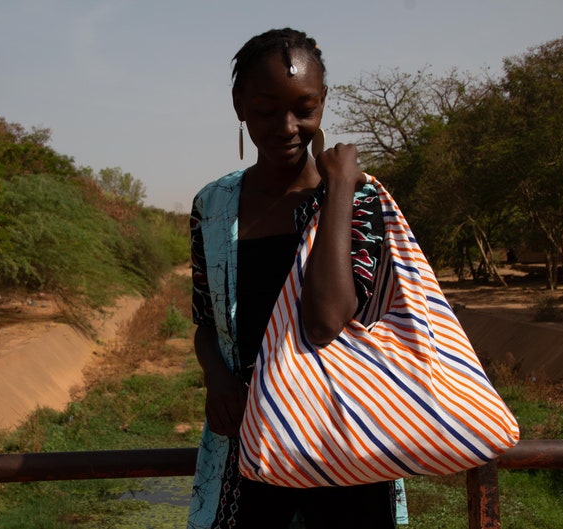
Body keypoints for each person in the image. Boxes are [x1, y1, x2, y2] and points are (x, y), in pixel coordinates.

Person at [188, 28, 396, 528]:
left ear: (323, 101)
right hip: (248, 444)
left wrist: (340, 189)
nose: (286, 126)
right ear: (238, 105)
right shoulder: (212, 206)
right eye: (265, 109)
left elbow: (326, 320)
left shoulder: (359, 200)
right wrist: (217, 379)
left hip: (343, 443)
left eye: (304, 108)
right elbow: (204, 320)